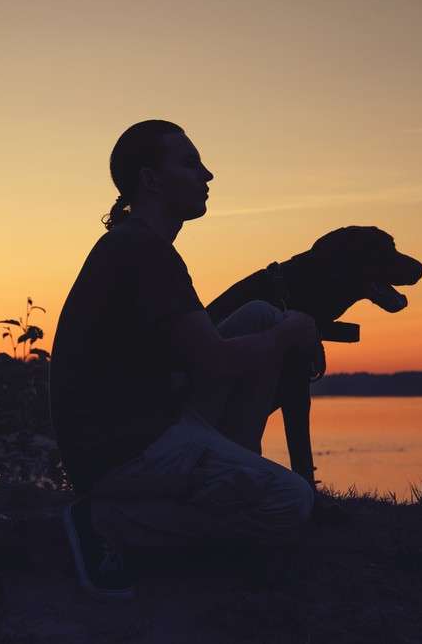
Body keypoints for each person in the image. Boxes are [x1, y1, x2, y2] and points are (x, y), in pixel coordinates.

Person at [50, 120, 319, 602]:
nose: (208, 174)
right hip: (123, 448)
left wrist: (275, 329)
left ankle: (235, 466)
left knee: (258, 315)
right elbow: (216, 363)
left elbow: (196, 356)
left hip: (149, 419)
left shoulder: (138, 245)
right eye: (191, 163)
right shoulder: (144, 252)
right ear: (151, 179)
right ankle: (105, 521)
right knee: (290, 502)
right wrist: (294, 330)